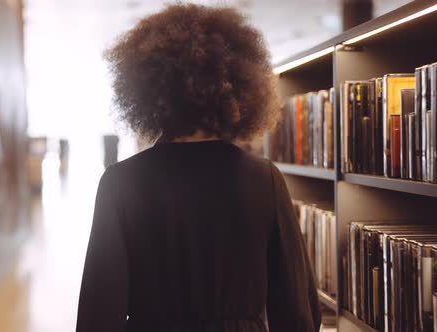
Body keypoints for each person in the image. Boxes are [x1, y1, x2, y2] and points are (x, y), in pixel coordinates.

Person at [76, 4, 321, 332]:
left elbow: (98, 313)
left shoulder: (119, 183)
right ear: (236, 88)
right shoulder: (264, 179)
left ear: (147, 94)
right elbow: (296, 310)